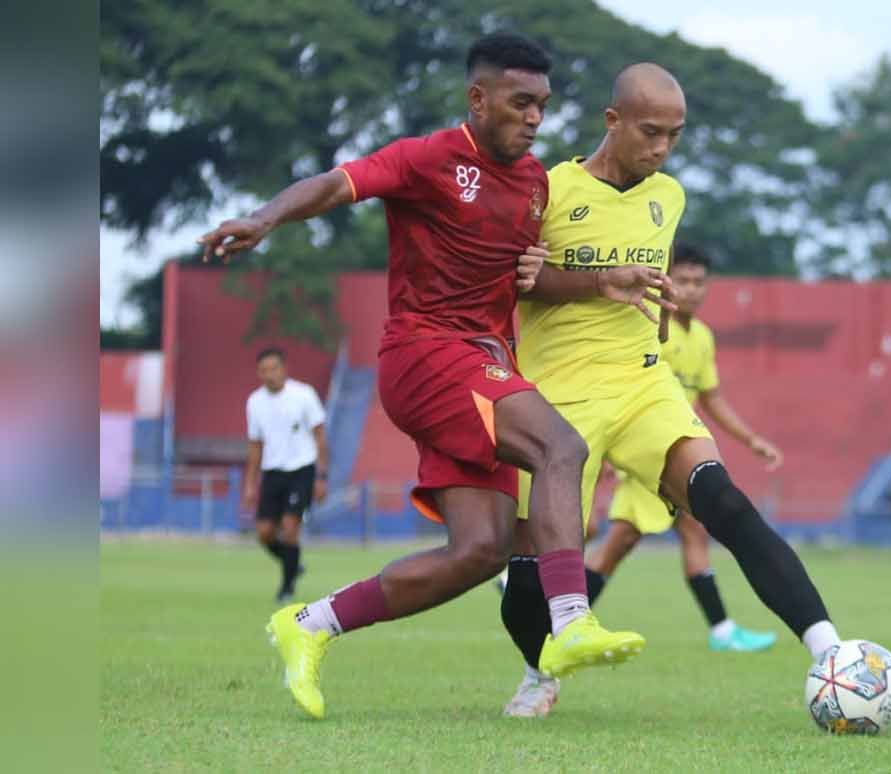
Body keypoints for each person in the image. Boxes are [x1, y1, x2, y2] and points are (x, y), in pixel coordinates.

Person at [198, 33, 643, 721]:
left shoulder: (534, 183)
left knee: (480, 551)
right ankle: (571, 620)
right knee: (563, 447)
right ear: (478, 97)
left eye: (543, 106)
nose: (534, 118)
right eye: (520, 103)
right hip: (426, 353)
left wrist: (587, 278)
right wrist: (263, 217)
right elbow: (333, 185)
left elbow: (531, 278)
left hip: (484, 363)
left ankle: (310, 624)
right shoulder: (428, 159)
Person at [498, 62, 844, 719]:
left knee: (725, 504)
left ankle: (831, 652)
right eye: (650, 132)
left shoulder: (670, 197)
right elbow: (515, 283)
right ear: (613, 121)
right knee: (524, 576)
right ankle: (537, 672)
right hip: (556, 401)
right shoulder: (547, 189)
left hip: (641, 385)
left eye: (674, 135)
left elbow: (646, 289)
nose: (661, 148)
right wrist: (593, 281)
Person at [587, 242, 780, 653]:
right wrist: (606, 452)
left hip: (675, 456)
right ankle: (555, 618)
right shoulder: (654, 329)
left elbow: (711, 397)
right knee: (619, 544)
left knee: (682, 533)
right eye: (684, 280)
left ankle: (722, 630)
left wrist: (752, 440)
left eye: (699, 282)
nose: (692, 289)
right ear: (666, 281)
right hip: (648, 458)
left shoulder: (702, 337)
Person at [243, 347, 327, 602]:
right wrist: (249, 484)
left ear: (284, 368)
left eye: (274, 368)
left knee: (290, 528)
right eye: (265, 370)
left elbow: (320, 436)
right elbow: (256, 445)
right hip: (272, 472)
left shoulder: (303, 394)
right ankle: (294, 563)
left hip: (302, 469)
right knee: (264, 532)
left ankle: (287, 587)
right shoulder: (254, 402)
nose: (270, 374)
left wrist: (321, 476)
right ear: (259, 373)